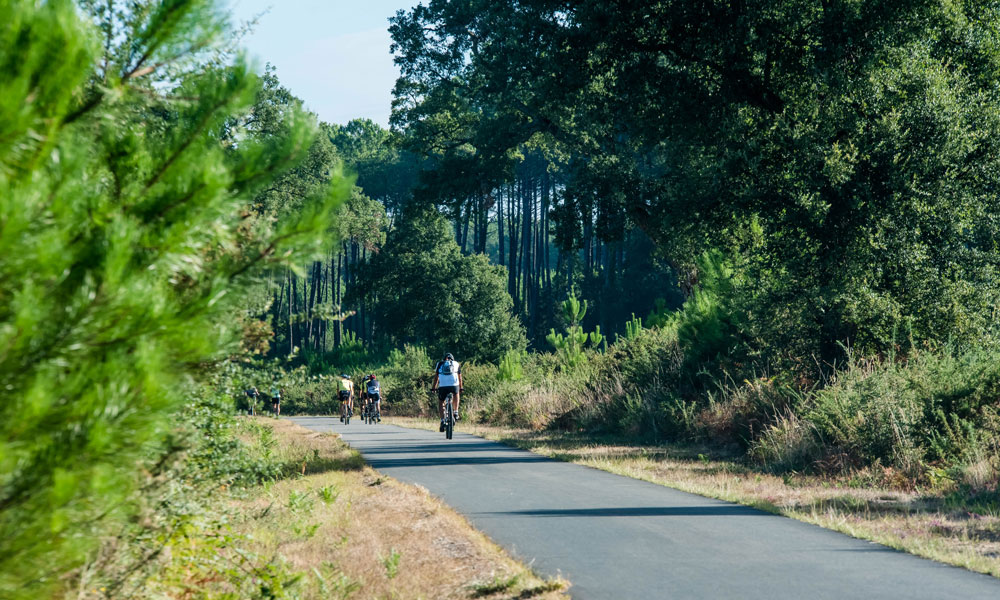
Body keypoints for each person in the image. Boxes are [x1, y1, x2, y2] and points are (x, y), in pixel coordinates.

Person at [431, 352, 463, 431]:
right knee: (456, 393)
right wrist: (461, 387)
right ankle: (455, 411)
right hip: (454, 385)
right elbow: (460, 378)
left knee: (441, 401)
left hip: (443, 386)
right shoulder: (456, 364)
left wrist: (433, 388)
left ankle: (442, 421)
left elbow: (436, 378)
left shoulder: (439, 364)